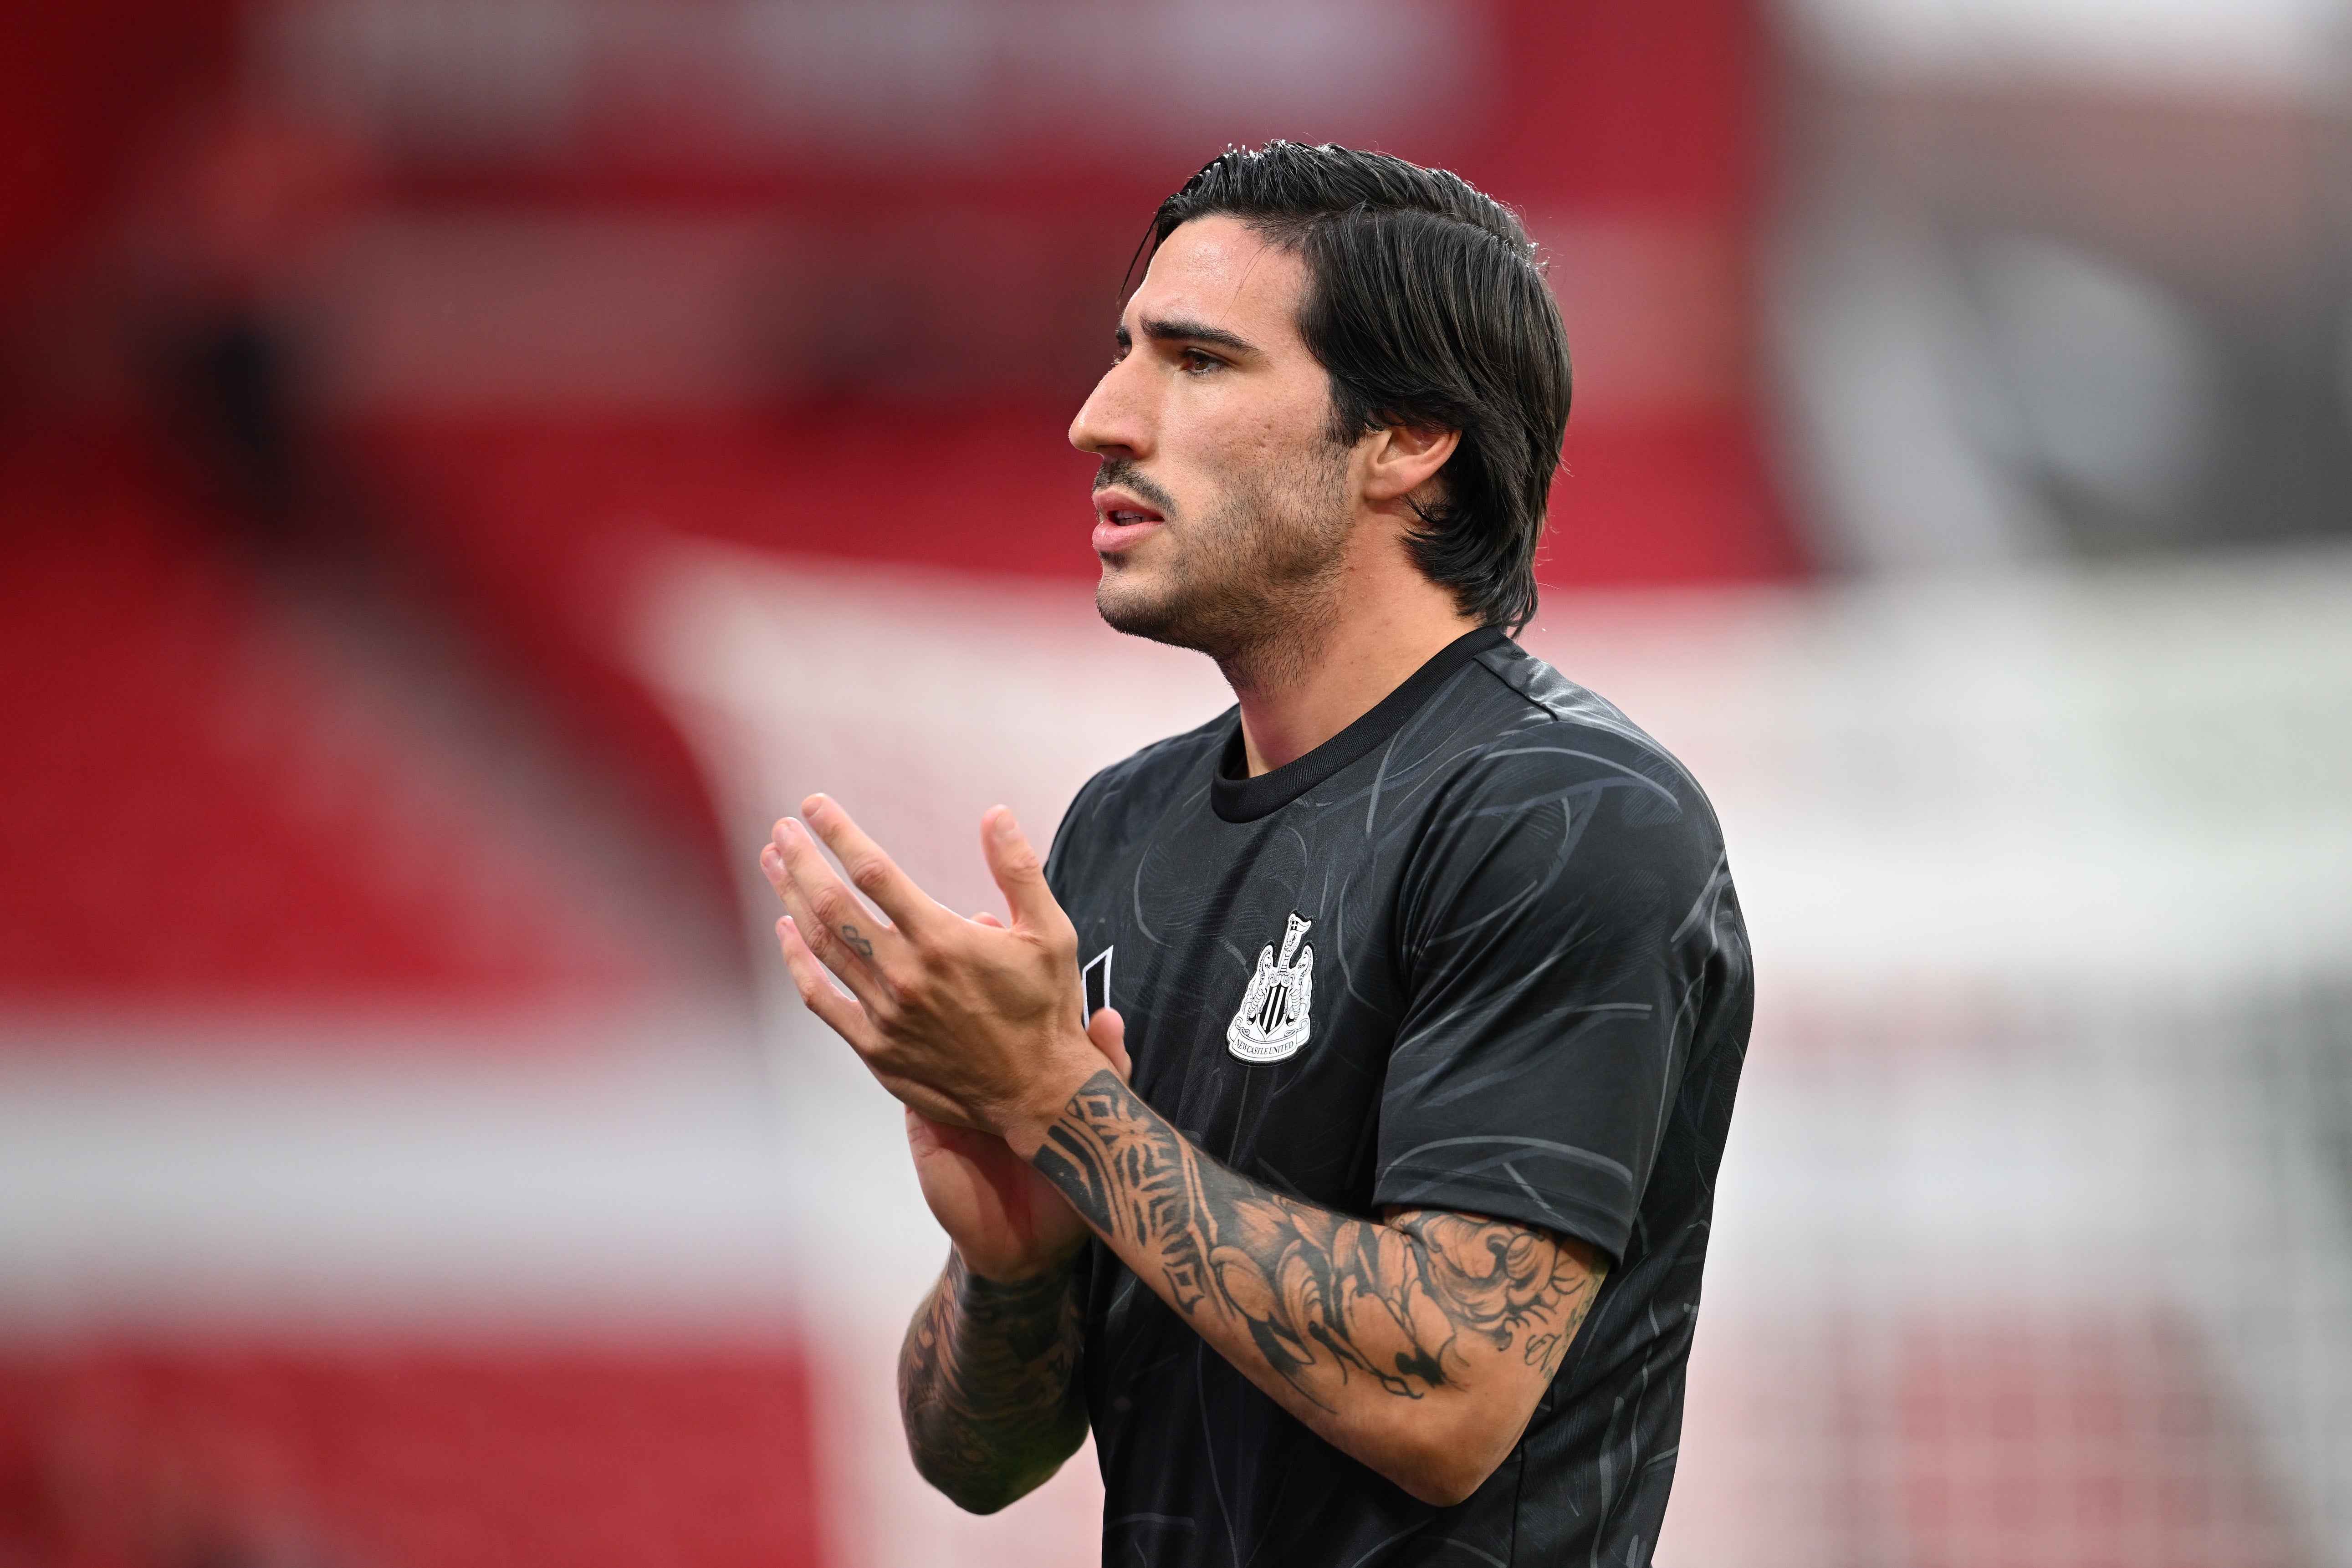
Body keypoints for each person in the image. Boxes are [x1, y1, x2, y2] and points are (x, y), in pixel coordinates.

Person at [757, 142, 1751, 1567]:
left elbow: (1451, 1394)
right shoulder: (1122, 826)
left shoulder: (1565, 809)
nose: (1101, 417)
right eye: (1121, 356)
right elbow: (978, 1457)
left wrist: (1060, 1103)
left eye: (1199, 362)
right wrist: (1017, 1253)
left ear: (1405, 437)